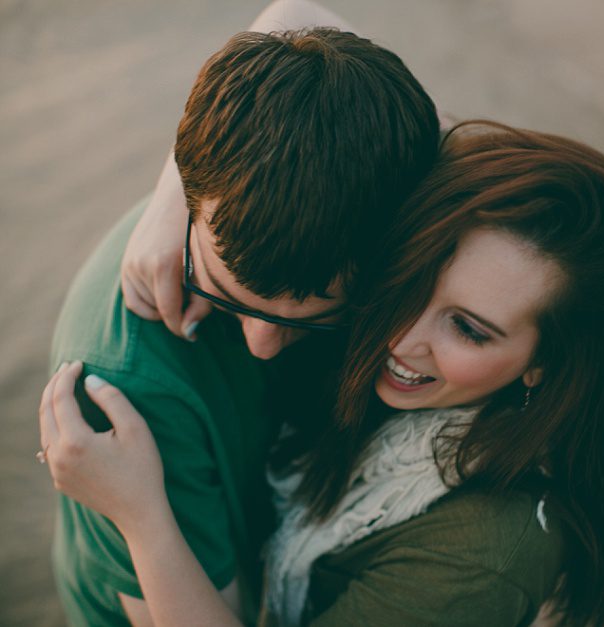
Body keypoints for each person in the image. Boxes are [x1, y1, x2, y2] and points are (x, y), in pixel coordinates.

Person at [40, 121, 604, 627]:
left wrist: (138, 513)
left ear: (545, 364)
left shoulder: (486, 556)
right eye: (410, 280)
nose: (401, 338)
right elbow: (296, 33)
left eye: (467, 328)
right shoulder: (414, 374)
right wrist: (179, 203)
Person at [44, 1, 440, 624]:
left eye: (309, 318)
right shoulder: (125, 391)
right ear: (195, 205)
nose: (260, 343)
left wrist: (170, 194)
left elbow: (296, 16)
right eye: (227, 293)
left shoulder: (379, 181)